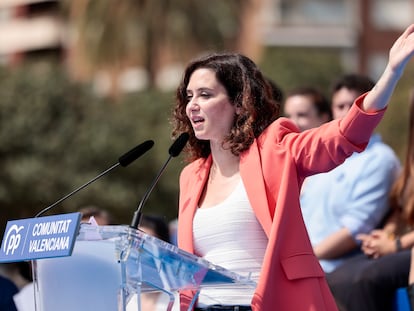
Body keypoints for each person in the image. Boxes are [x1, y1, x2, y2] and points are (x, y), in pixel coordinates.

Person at [172, 24, 414, 311]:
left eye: (205, 95)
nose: (193, 105)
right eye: (189, 96)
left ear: (239, 104)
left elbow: (342, 136)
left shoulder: (275, 148)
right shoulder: (191, 175)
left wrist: (391, 73)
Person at [298, 74, 400, 273]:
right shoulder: (321, 154)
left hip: (337, 275)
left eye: (353, 105)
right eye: (340, 106)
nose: (347, 113)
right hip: (303, 269)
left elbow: (357, 228)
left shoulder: (380, 159)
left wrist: (304, 259)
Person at [326, 88, 414, 311]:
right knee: (338, 276)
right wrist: (388, 234)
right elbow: (402, 208)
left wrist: (396, 244)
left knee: (364, 279)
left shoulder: (381, 158)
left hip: (407, 248)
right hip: (403, 245)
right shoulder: (411, 158)